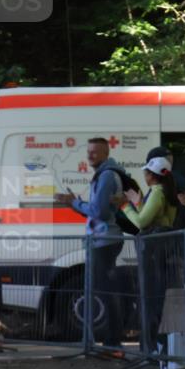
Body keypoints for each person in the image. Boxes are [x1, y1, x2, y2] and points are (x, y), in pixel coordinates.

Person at [54, 137, 127, 347]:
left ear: (106, 153)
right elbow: (97, 210)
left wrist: (74, 202)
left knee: (105, 291)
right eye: (88, 151)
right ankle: (111, 340)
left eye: (94, 152)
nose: (89, 155)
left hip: (104, 241)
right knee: (105, 290)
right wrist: (75, 204)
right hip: (104, 240)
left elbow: (99, 212)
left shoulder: (106, 176)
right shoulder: (106, 174)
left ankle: (113, 341)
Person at [123, 156, 179, 357]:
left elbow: (141, 221)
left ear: (152, 176)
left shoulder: (157, 193)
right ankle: (157, 347)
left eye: (146, 172)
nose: (144, 175)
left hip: (152, 249)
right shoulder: (166, 192)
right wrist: (137, 203)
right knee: (158, 298)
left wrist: (125, 206)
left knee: (149, 298)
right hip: (162, 248)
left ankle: (150, 348)